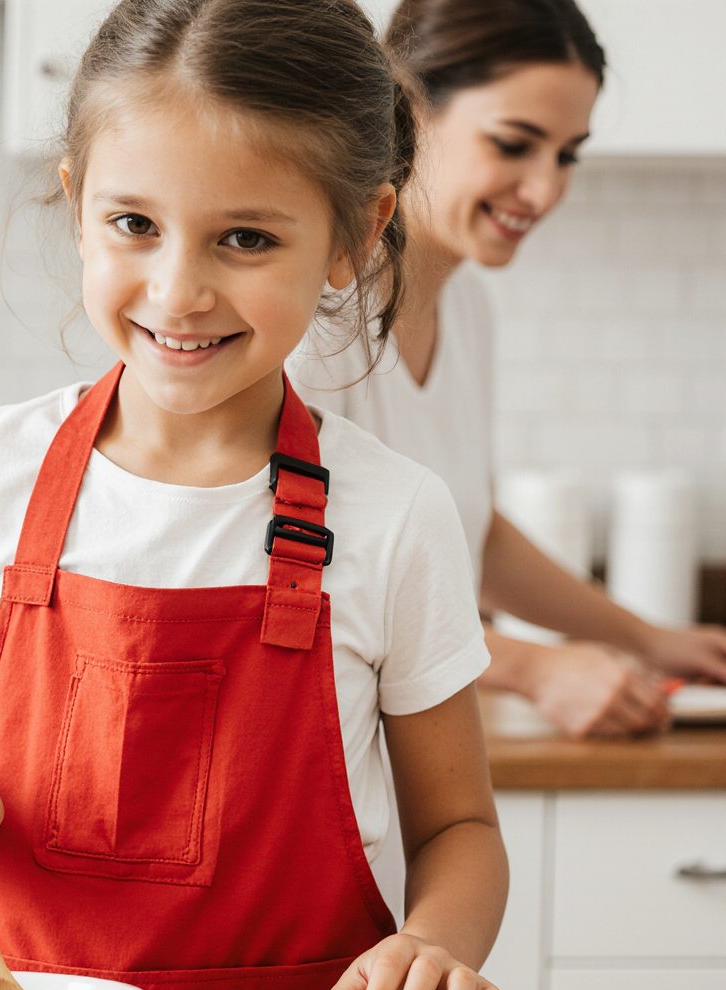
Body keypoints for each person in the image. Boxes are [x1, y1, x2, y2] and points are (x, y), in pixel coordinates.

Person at [0, 2, 516, 990]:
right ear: (76, 207)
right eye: (133, 225)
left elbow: (459, 827)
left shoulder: (392, 515)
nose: (177, 288)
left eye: (244, 237)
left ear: (355, 236)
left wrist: (429, 946)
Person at [290, 0, 726, 740]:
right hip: (313, 771)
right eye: (515, 144)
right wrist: (533, 667)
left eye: (566, 154)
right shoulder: (314, 321)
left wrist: (651, 639)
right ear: (409, 112)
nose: (546, 189)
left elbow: (471, 535)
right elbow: (317, 591)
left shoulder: (468, 313)